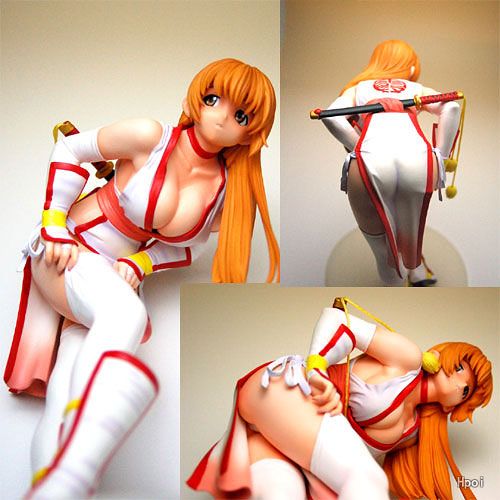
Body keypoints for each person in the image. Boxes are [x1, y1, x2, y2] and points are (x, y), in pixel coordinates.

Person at [3, 58, 278, 498]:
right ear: (196, 97)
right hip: (70, 251)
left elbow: (191, 246)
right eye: (213, 99)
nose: (222, 116)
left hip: (108, 280)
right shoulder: (150, 136)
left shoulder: (225, 191)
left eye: (241, 115)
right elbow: (71, 149)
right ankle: (89, 435)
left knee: (64, 386)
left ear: (251, 133)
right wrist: (53, 222)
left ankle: (51, 488)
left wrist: (142, 263)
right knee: (127, 315)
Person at [188, 297, 493, 500]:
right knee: (368, 479)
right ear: (440, 355)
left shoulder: (410, 432)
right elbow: (339, 320)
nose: (457, 382)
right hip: (290, 390)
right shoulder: (408, 360)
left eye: (466, 390)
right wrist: (317, 368)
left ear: (455, 406)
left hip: (290, 441)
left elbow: (344, 456)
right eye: (459, 367)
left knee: (284, 492)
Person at [322, 40, 461, 286]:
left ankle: (397, 282)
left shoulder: (358, 89)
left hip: (370, 161)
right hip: (417, 159)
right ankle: (417, 272)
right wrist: (441, 157)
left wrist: (360, 147)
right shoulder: (416, 88)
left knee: (383, 251)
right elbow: (451, 107)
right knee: (411, 228)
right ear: (411, 68)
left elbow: (331, 117)